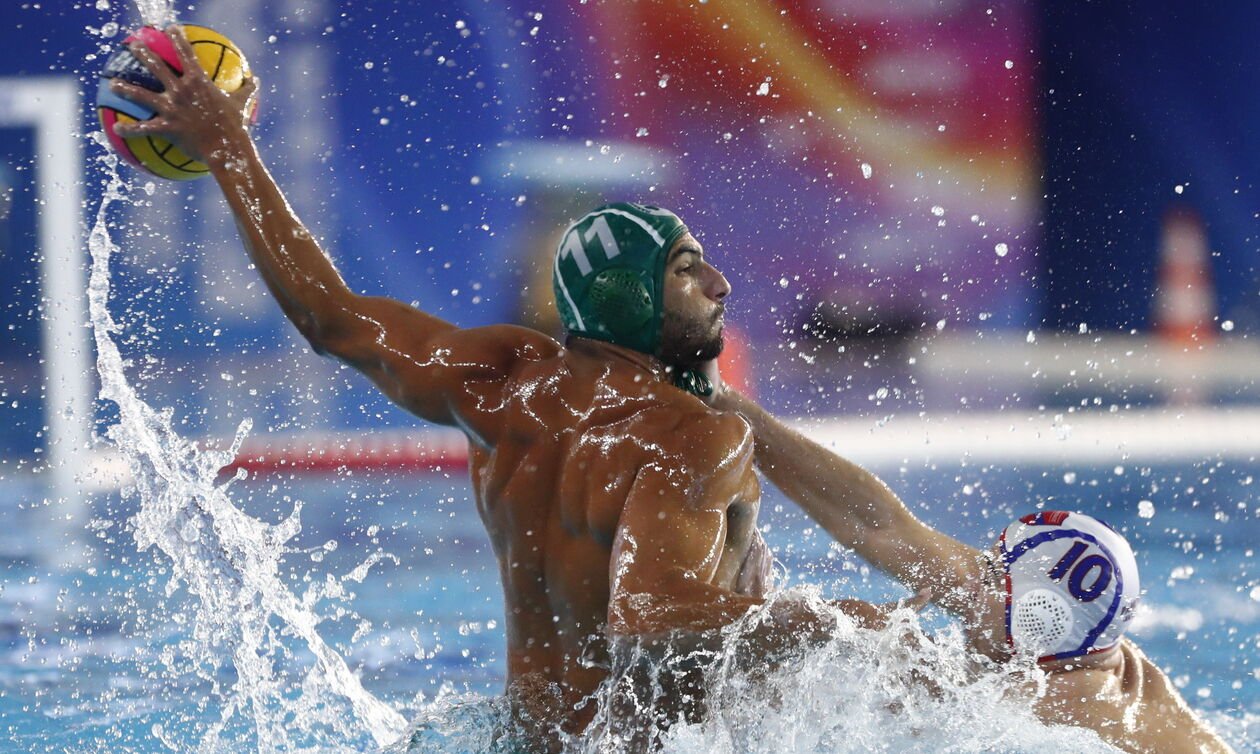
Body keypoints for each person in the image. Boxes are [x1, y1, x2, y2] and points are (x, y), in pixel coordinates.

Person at [109, 25, 902, 749]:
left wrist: (231, 154)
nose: (722, 285)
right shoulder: (694, 435)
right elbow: (651, 614)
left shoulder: (502, 387)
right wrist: (838, 625)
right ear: (633, 296)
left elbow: (331, 317)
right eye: (690, 269)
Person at [710, 385, 1237, 754]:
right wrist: (729, 406)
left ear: (1036, 619)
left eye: (989, 577)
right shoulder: (1076, 639)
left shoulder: (1061, 712)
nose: (969, 578)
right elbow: (878, 526)